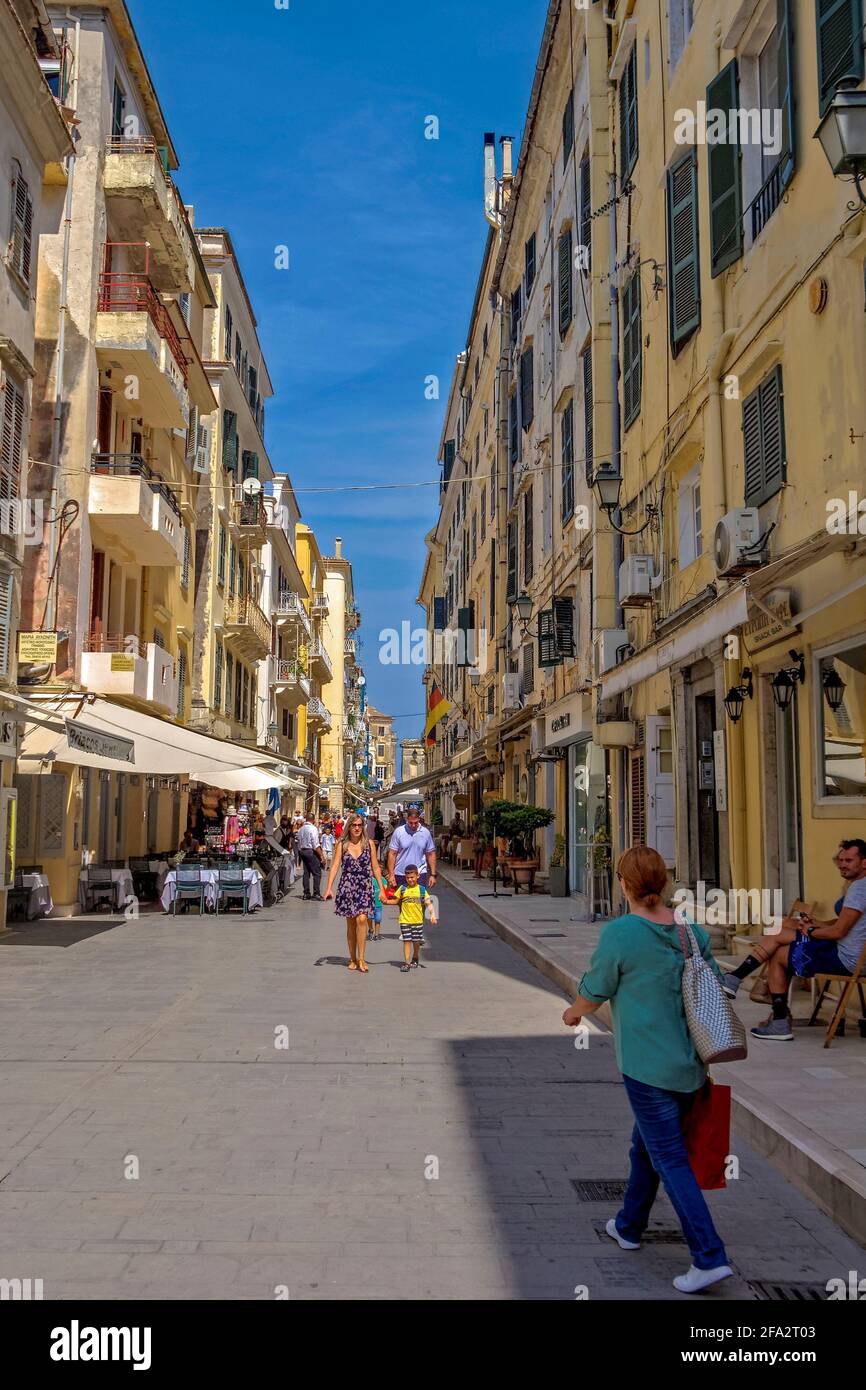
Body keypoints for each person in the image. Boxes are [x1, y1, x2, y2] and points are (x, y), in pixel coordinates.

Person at [561, 845, 732, 1295]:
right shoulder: (689, 932)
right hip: (691, 1065)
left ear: (624, 884)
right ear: (664, 882)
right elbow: (713, 985)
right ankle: (630, 1225)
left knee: (669, 1158)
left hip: (647, 1067)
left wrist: (574, 1012)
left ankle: (709, 1256)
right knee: (646, 1147)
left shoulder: (622, 934)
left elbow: (596, 988)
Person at [722, 837, 866, 1041]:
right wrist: (818, 923)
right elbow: (843, 922)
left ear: (864, 862)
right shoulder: (859, 886)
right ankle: (768, 1009)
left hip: (847, 959)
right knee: (787, 926)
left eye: (848, 860)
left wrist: (812, 931)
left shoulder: (860, 889)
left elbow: (839, 932)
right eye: (840, 860)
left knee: (779, 947)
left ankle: (744, 985)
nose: (842, 864)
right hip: (848, 952)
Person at [324, 812, 386, 972]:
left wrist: (382, 889)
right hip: (348, 887)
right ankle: (352, 958)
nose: (357, 828)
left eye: (359, 825)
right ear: (349, 827)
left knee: (362, 919)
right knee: (351, 923)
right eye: (354, 825)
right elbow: (335, 866)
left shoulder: (369, 844)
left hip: (365, 886)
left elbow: (375, 867)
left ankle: (362, 958)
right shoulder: (342, 844)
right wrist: (329, 887)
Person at [395, 863, 437, 972]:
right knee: (407, 940)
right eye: (408, 877)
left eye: (412, 877)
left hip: (418, 921)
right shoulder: (402, 889)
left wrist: (432, 915)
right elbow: (395, 900)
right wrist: (385, 901)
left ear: (417, 876)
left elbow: (428, 903)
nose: (410, 880)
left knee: (416, 941)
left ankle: (416, 956)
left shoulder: (422, 890)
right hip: (405, 920)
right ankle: (407, 963)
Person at [387, 805, 437, 889]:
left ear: (419, 819)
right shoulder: (399, 832)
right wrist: (391, 874)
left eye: (416, 823)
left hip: (420, 874)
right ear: (407, 820)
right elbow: (392, 854)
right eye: (411, 823)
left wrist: (433, 874)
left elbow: (431, 854)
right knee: (403, 901)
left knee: (418, 901)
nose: (413, 825)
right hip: (401, 874)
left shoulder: (425, 833)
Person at [295, 813, 324, 900]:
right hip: (310, 851)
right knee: (317, 872)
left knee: (306, 873)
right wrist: (321, 855)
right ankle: (316, 893)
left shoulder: (301, 829)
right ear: (313, 820)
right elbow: (315, 844)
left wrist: (300, 851)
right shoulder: (313, 829)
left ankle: (306, 893)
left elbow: (298, 841)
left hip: (302, 851)